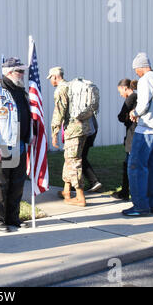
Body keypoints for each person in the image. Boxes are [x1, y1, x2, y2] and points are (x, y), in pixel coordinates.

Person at [0, 57, 32, 232]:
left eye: (23, 71)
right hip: (1, 146)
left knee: (17, 183)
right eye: (20, 71)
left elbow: (26, 116)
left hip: (19, 145)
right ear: (9, 73)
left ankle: (13, 217)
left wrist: (29, 136)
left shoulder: (22, 92)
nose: (23, 74)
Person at [123, 53, 153, 216]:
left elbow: (143, 104)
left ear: (140, 67)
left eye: (136, 69)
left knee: (136, 167)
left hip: (146, 129)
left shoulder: (145, 80)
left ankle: (140, 206)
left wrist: (135, 112)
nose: (136, 73)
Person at [48, 67, 90, 207]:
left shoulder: (61, 89)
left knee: (74, 161)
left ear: (55, 76)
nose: (51, 81)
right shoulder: (71, 86)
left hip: (73, 130)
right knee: (69, 159)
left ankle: (80, 196)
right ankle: (66, 190)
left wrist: (54, 132)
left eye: (51, 78)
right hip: (83, 128)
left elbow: (59, 112)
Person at [112, 79, 138, 201]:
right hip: (137, 133)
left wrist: (126, 116)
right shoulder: (138, 97)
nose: (120, 94)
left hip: (132, 134)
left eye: (120, 91)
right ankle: (129, 190)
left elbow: (121, 116)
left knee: (129, 164)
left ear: (125, 88)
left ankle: (126, 191)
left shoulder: (130, 98)